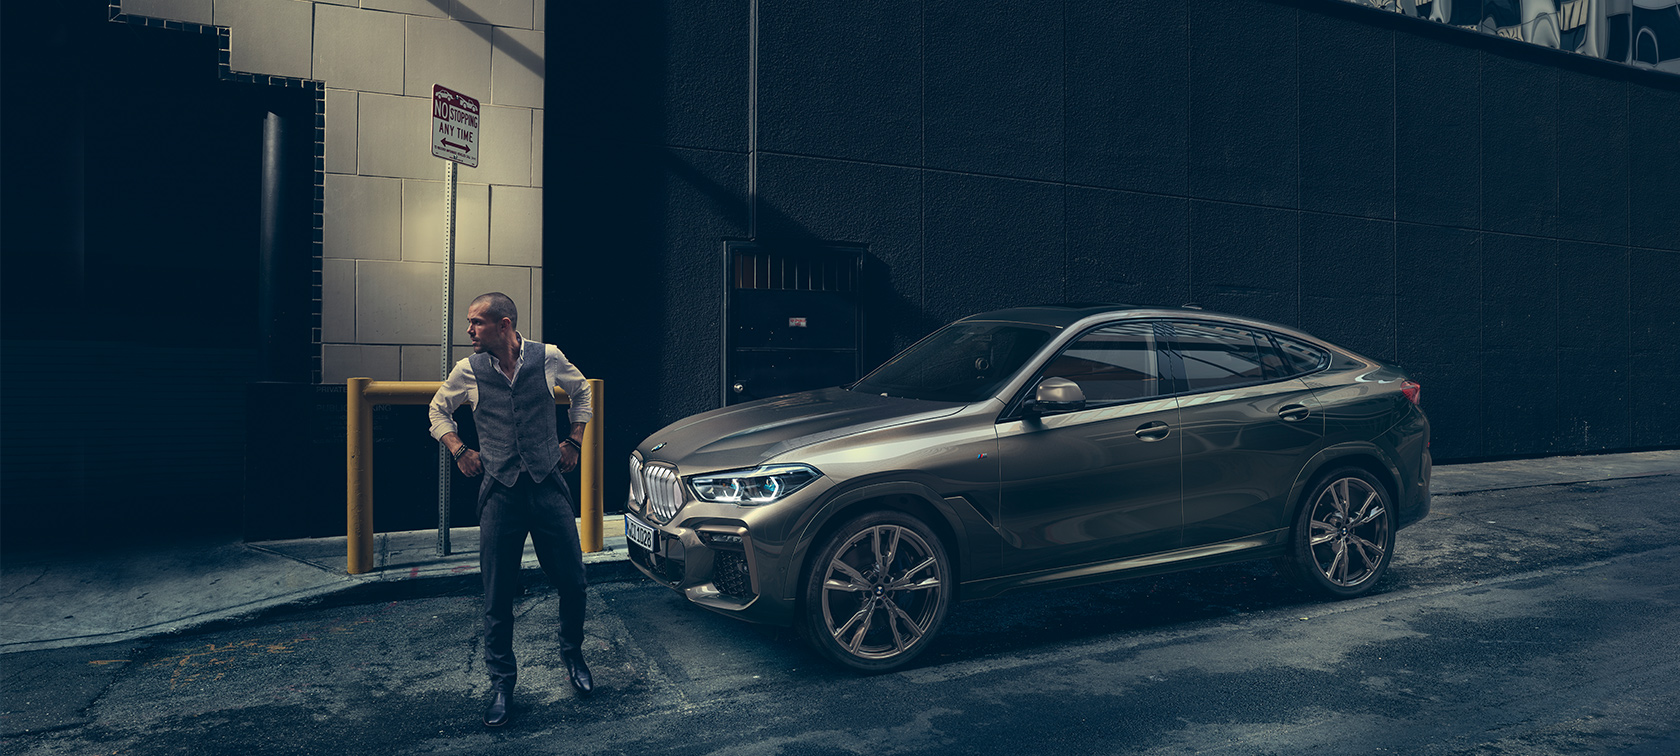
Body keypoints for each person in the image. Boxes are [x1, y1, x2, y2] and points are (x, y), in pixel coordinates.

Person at [427, 291, 595, 727]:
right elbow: (437, 411)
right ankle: (502, 683)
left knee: (574, 581)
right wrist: (459, 448)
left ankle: (573, 654)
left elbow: (583, 394)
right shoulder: (468, 369)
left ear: (504, 325)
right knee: (497, 593)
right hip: (500, 490)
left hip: (547, 485)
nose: (469, 331)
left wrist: (574, 441)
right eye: (469, 323)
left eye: (477, 323)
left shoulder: (548, 357)